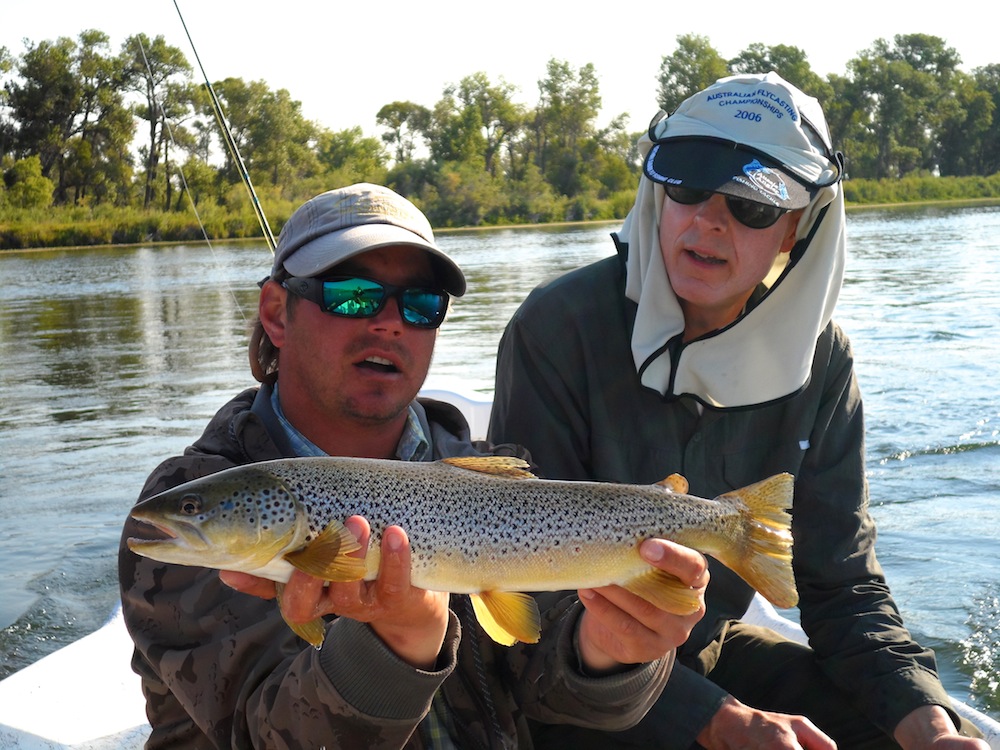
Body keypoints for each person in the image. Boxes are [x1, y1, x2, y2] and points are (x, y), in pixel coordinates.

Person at [488, 73, 989, 750]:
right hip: (574, 669)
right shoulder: (555, 327)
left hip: (711, 647)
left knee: (889, 729)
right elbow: (532, 598)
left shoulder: (824, 362)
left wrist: (931, 725)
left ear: (793, 231)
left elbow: (842, 590)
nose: (708, 222)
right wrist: (717, 721)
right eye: (688, 187)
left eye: (755, 204)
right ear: (659, 197)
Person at [119, 183, 709, 749]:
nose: (389, 321)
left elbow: (554, 688)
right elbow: (260, 732)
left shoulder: (488, 474)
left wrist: (610, 650)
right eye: (352, 294)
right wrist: (396, 644)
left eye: (422, 303)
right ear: (277, 313)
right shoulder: (187, 501)